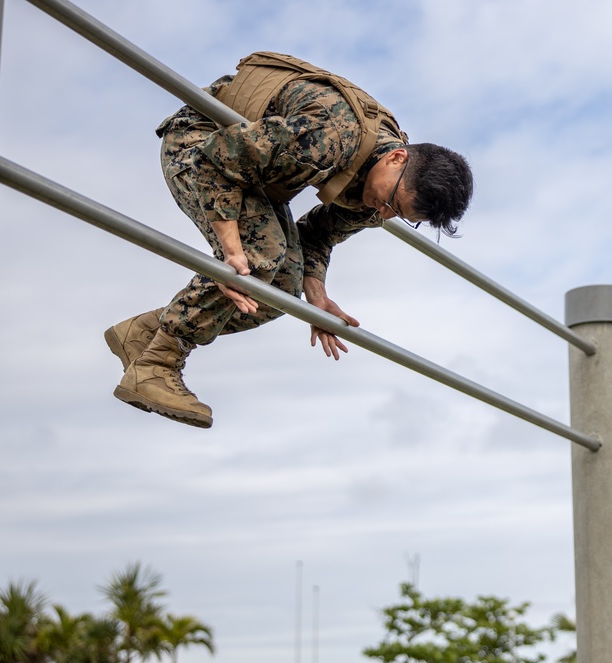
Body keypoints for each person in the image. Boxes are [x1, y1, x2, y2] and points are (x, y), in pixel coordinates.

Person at [103, 52, 474, 429]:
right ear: (396, 158)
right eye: (392, 202)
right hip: (200, 141)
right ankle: (156, 365)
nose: (385, 213)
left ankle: (146, 332)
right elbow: (219, 159)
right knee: (260, 255)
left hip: (249, 172)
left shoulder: (376, 195)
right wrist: (231, 252)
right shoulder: (330, 136)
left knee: (283, 289)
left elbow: (317, 234)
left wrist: (317, 296)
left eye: (400, 216)